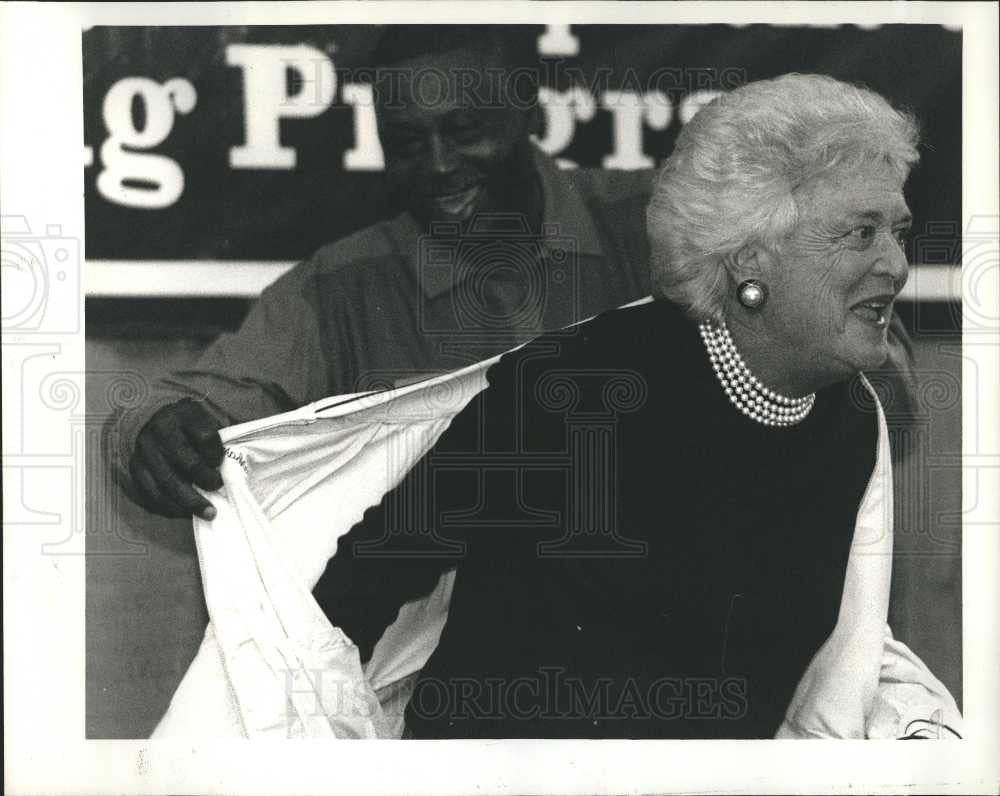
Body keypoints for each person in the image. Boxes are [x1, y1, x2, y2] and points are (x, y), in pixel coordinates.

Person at [311, 73, 961, 739]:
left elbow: (833, 669)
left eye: (899, 232)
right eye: (861, 233)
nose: (896, 264)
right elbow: (346, 599)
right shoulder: (573, 392)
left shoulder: (847, 420)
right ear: (749, 256)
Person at [114, 26, 653, 521]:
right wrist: (153, 432)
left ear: (528, 110)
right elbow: (178, 404)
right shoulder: (340, 287)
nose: (439, 165)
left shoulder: (658, 222)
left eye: (464, 129)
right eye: (407, 145)